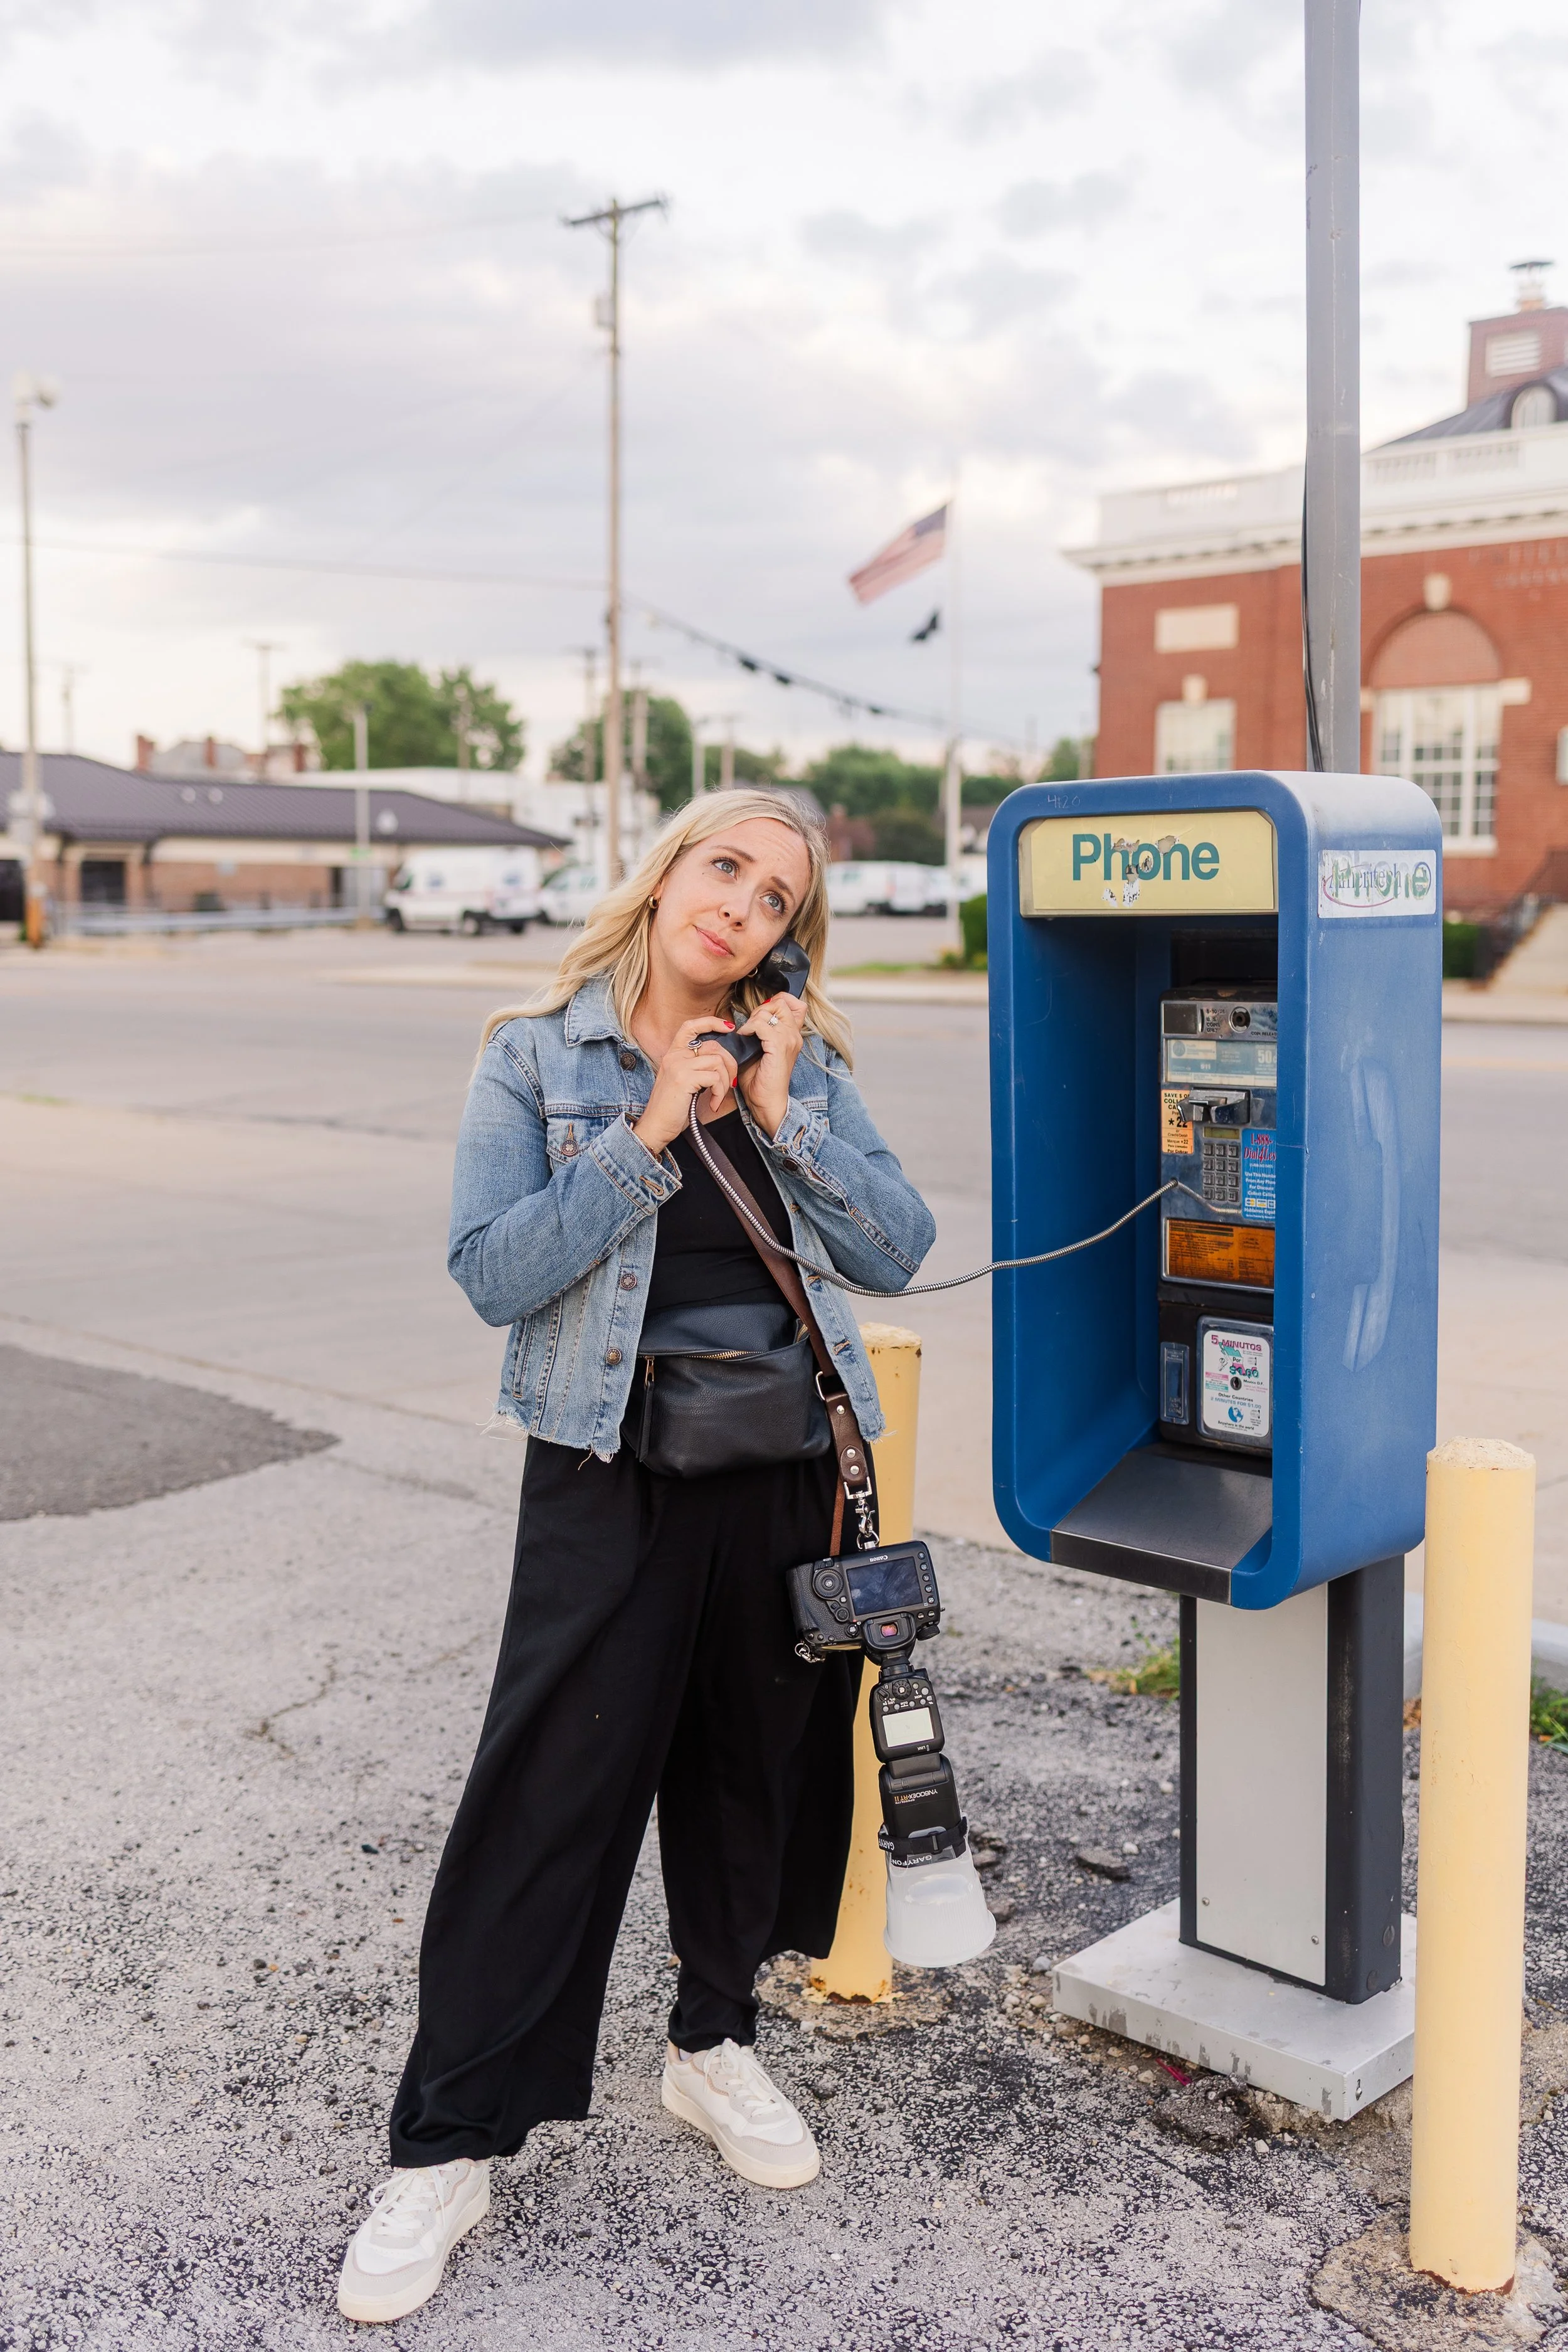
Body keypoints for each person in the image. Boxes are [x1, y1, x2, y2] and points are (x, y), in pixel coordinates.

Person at [337, 788, 935, 2324]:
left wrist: (782, 1113)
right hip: (607, 1466)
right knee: (549, 1789)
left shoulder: (804, 1064)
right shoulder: (535, 1056)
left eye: (776, 896)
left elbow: (896, 1248)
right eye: (723, 867)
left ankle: (711, 2042)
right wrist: (652, 1128)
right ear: (666, 876)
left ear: (789, 937)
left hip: (784, 1465)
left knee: (752, 1773)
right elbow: (493, 1272)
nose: (741, 904)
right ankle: (447, 2141)